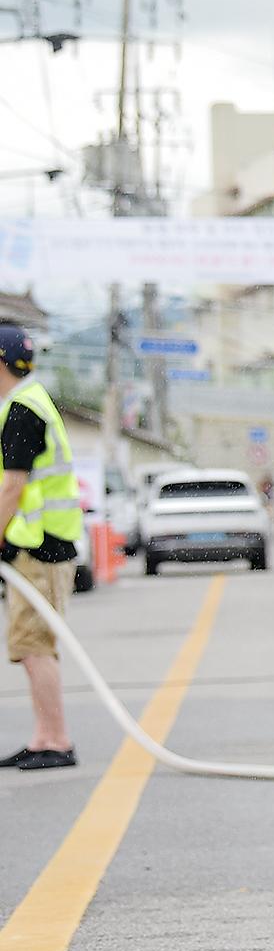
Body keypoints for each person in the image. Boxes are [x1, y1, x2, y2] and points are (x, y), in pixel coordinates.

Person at [0, 326, 83, 772]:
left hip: (41, 547)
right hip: (39, 545)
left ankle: (55, 739)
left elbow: (13, 487)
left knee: (34, 643)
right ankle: (43, 736)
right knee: (30, 642)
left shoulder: (21, 411)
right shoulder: (30, 403)